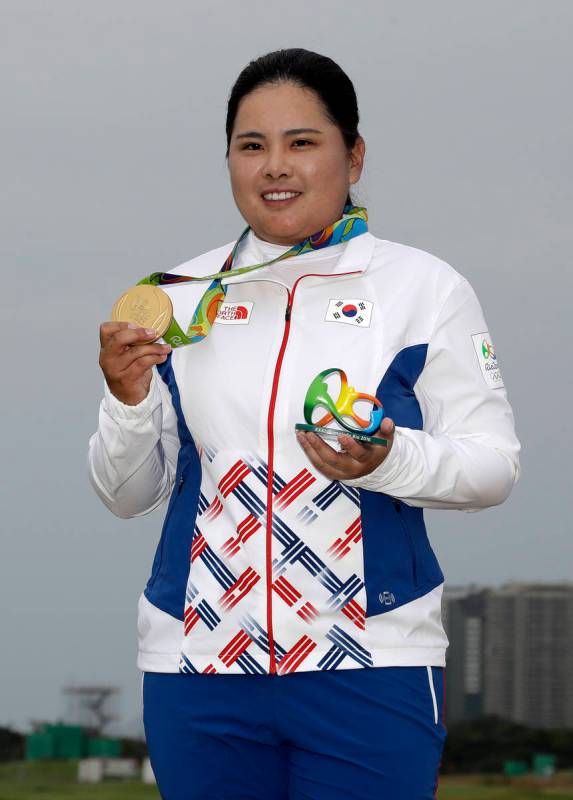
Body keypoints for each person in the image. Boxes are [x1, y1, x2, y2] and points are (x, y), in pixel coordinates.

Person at [88, 48, 520, 800]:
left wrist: (387, 460)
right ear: (227, 159)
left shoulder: (422, 288)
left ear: (352, 156)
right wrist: (128, 400)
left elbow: (492, 467)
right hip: (198, 664)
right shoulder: (178, 297)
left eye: (302, 142)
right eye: (251, 146)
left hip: (368, 661)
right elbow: (125, 495)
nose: (274, 167)